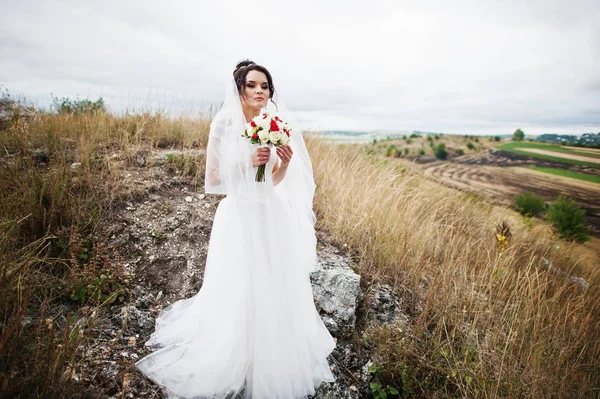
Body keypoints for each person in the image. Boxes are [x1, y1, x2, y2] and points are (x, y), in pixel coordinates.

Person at [135, 60, 336, 399]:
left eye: (265, 86)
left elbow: (270, 182)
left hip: (269, 213)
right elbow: (212, 179)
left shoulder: (271, 123)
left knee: (272, 282)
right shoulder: (223, 123)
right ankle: (234, 349)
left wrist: (283, 163)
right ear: (240, 88)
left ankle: (270, 349)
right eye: (253, 85)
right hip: (238, 214)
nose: (261, 91)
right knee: (239, 281)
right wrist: (247, 162)